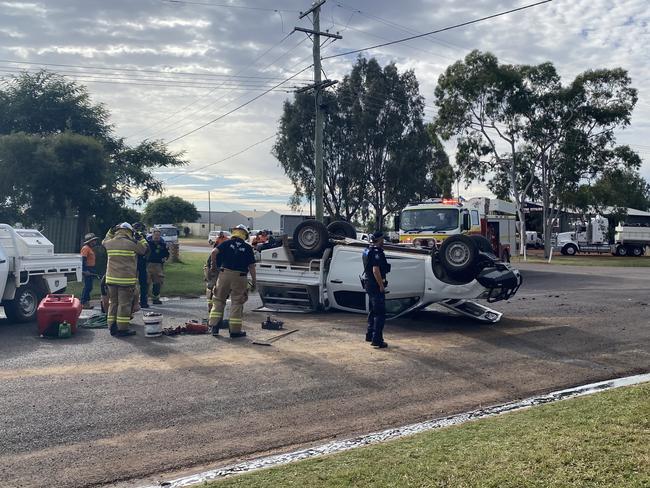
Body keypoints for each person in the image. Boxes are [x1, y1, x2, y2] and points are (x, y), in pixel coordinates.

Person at [208, 224, 256, 338]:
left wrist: (213, 267)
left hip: (224, 274)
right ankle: (234, 331)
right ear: (245, 235)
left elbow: (214, 252)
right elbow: (252, 267)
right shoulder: (248, 248)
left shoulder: (226, 243)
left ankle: (214, 327)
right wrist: (254, 282)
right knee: (237, 303)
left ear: (234, 232)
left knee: (219, 300)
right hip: (240, 277)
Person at [103, 222, 149, 337]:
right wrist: (140, 236)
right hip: (125, 280)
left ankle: (111, 326)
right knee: (124, 305)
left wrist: (111, 230)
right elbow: (144, 249)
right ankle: (122, 329)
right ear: (129, 232)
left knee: (113, 303)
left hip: (111, 280)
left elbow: (105, 239)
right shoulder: (132, 243)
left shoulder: (109, 242)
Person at [362, 231, 391, 348]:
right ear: (379, 239)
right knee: (380, 313)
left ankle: (369, 334)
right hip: (375, 285)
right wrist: (381, 285)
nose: (384, 241)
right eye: (383, 239)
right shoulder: (376, 252)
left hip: (368, 283)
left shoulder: (367, 249)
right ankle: (377, 340)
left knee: (373, 311)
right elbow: (375, 270)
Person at [146, 228, 169, 305]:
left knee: (157, 283)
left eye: (158, 235)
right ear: (152, 234)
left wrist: (165, 258)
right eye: (155, 234)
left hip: (158, 265)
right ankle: (144, 299)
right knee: (146, 283)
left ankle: (156, 299)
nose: (157, 236)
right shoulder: (147, 243)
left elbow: (166, 254)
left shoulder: (162, 244)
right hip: (148, 265)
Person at [132, 222, 151, 308]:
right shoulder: (139, 236)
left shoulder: (136, 236)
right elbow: (147, 248)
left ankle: (139, 302)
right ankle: (142, 302)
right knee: (141, 283)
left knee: (137, 283)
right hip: (138, 261)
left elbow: (147, 247)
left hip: (135, 261)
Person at [80, 233, 99, 309]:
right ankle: (83, 302)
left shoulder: (90, 249)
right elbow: (83, 260)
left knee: (89, 286)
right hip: (87, 269)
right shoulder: (86, 248)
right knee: (88, 286)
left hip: (91, 268)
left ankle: (86, 303)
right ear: (89, 241)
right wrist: (85, 270)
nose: (95, 242)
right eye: (93, 241)